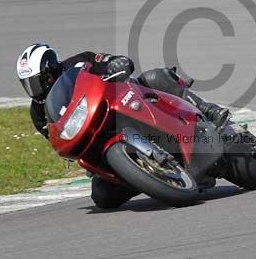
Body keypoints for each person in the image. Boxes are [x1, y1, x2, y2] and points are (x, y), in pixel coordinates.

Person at [15, 43, 230, 208]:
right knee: (101, 196)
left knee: (154, 78)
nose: (33, 89)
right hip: (98, 140)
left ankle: (208, 110)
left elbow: (108, 60)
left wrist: (117, 63)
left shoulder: (79, 62)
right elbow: (56, 138)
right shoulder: (38, 113)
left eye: (36, 81)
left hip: (124, 103)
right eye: (27, 84)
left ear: (50, 69)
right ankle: (145, 177)